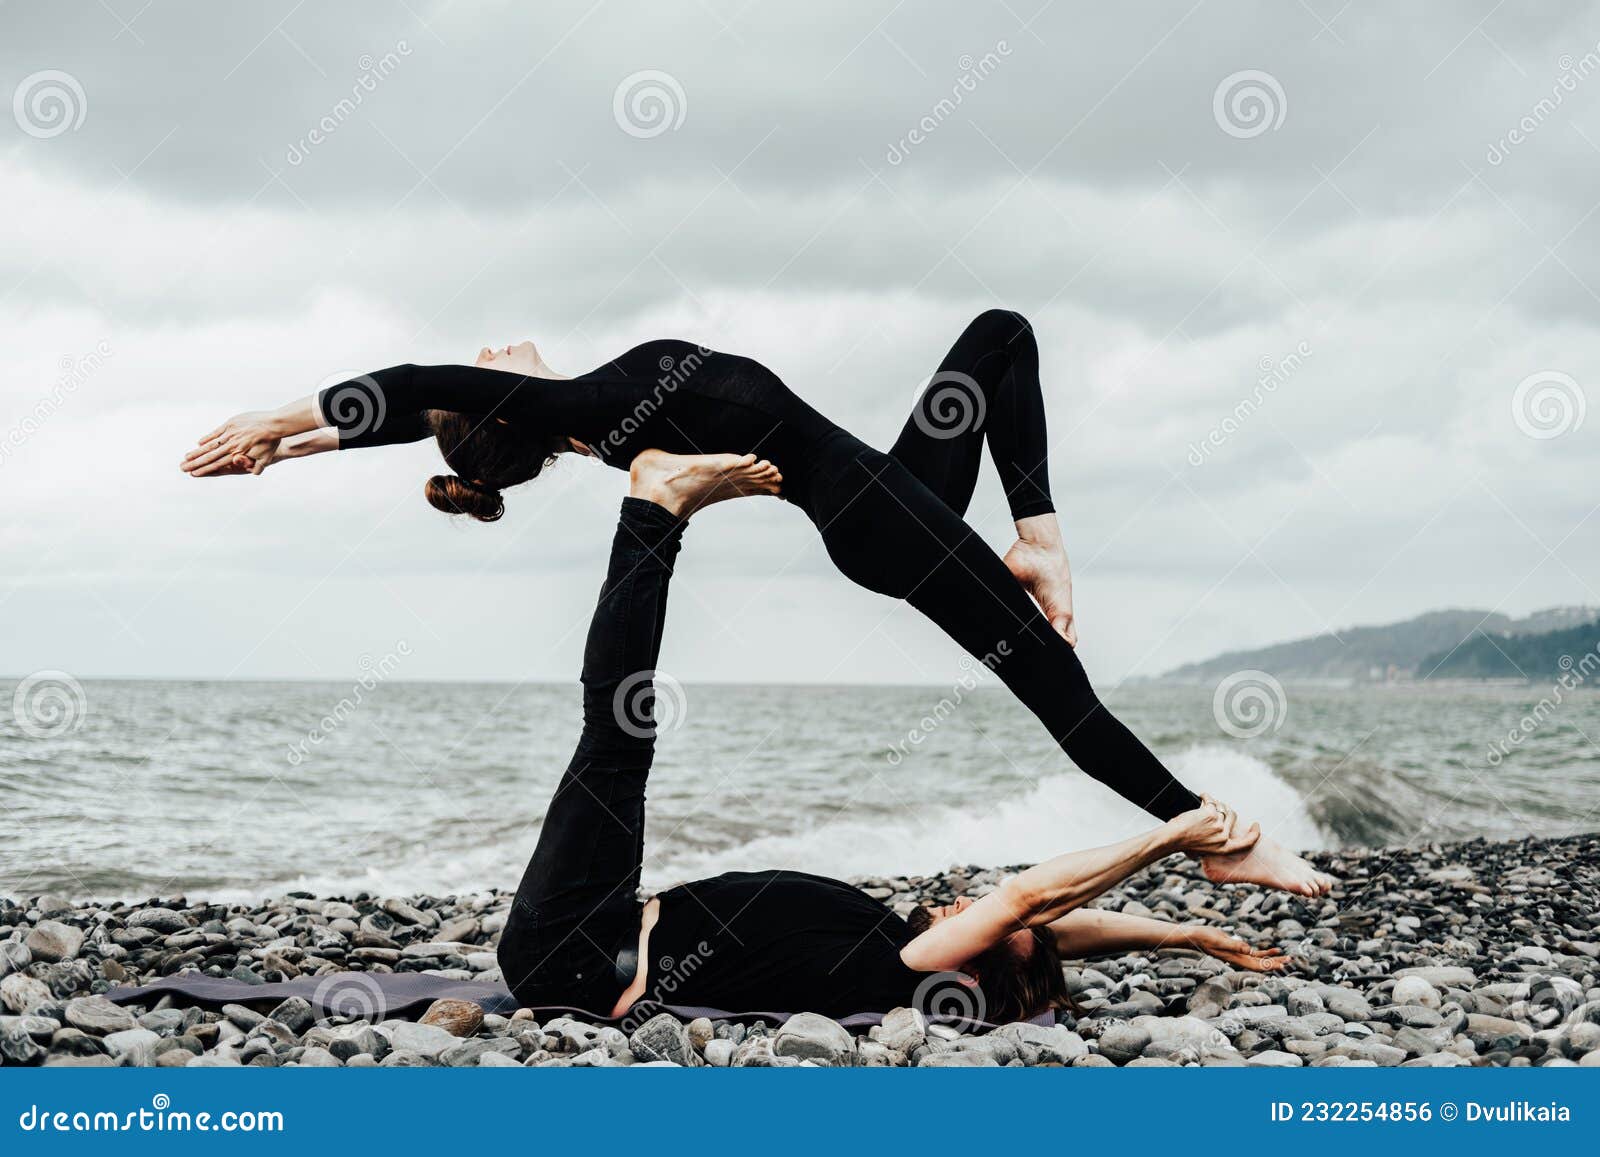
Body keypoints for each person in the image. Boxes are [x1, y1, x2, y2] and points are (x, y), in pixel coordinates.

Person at [181, 310, 1333, 897]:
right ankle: (1215, 833)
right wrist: (282, 420)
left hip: (892, 489)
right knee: (1056, 689)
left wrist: (308, 445)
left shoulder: (586, 408)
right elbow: (425, 386)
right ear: (504, 412)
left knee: (999, 337)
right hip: (879, 528)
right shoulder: (575, 399)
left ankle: (1036, 542)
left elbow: (435, 412)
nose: (493, 344)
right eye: (492, 363)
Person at [491, 455, 1282, 1023]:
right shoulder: (906, 941)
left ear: (968, 961)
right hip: (600, 927)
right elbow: (1058, 926)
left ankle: (654, 512)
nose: (973, 901)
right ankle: (659, 512)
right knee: (623, 738)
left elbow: (1028, 899)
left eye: (981, 923)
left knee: (618, 734)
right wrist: (1180, 933)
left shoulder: (901, 971)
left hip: (576, 951)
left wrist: (1169, 836)